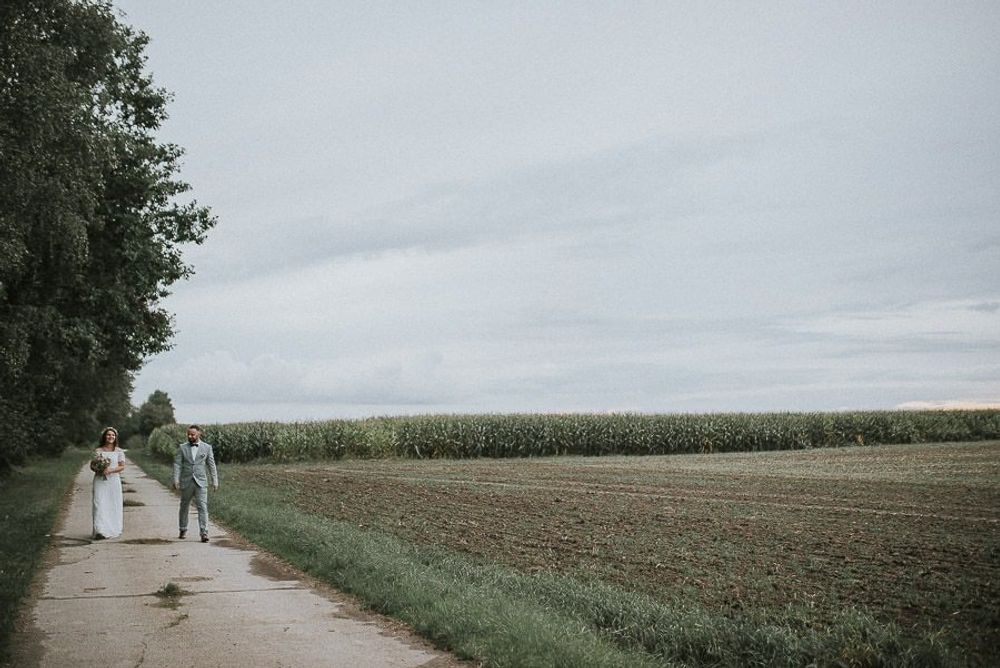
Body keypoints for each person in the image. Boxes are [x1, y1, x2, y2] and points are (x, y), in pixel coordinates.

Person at [172, 424, 219, 543]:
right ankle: (183, 528)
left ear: (199, 434)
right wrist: (176, 480)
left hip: (201, 482)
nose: (190, 436)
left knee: (202, 506)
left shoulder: (207, 447)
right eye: (188, 434)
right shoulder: (182, 447)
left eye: (192, 434)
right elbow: (177, 464)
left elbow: (211, 464)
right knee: (184, 506)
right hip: (186, 481)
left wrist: (215, 480)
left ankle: (204, 532)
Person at [91, 427, 125, 540]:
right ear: (104, 436)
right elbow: (92, 465)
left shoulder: (119, 451)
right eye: (108, 435)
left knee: (112, 503)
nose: (111, 437)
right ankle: (100, 529)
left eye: (113, 435)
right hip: (100, 480)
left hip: (113, 480)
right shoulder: (98, 451)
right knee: (99, 503)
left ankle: (112, 527)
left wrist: (110, 470)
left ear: (115, 438)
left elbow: (122, 466)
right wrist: (99, 469)